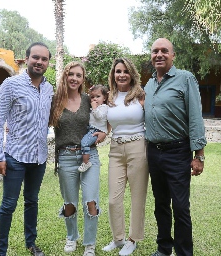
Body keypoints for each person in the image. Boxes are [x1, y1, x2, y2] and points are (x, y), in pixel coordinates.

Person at [144, 38, 207, 256]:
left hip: (177, 152)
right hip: (153, 152)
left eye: (164, 51)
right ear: (151, 56)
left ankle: (184, 253)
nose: (159, 54)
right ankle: (163, 248)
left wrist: (199, 155)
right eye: (155, 51)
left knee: (180, 208)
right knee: (160, 204)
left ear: (173, 55)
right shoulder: (149, 85)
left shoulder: (185, 79)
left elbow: (195, 117)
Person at [0, 42, 53, 256]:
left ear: (48, 63)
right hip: (15, 156)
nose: (39, 62)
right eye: (36, 57)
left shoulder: (49, 88)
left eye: (44, 59)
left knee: (32, 201)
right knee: (8, 205)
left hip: (39, 158)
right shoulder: (10, 84)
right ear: (27, 59)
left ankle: (31, 243)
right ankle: (1, 251)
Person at [49, 61, 106, 256]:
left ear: (83, 79)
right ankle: (72, 237)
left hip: (89, 157)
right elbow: (38, 120)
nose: (74, 78)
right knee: (70, 202)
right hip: (65, 157)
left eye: (78, 75)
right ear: (65, 76)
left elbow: (104, 119)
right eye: (71, 74)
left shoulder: (89, 100)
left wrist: (104, 134)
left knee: (91, 200)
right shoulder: (55, 101)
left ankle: (89, 243)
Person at [102, 57, 149, 256]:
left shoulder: (141, 95)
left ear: (131, 74)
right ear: (113, 75)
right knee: (113, 199)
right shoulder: (110, 97)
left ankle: (133, 239)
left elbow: (154, 118)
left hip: (138, 147)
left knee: (138, 196)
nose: (121, 75)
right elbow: (104, 125)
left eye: (125, 71)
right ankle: (118, 238)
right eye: (117, 71)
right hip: (115, 149)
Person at [78, 84, 109, 172]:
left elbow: (99, 116)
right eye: (92, 97)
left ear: (104, 98)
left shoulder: (104, 107)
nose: (95, 99)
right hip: (91, 129)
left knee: (84, 143)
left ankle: (86, 162)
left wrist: (94, 108)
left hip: (96, 130)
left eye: (98, 96)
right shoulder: (94, 108)